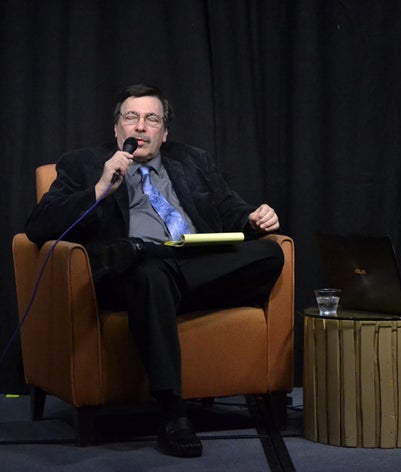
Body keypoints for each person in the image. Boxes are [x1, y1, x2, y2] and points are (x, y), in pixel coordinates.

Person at [25, 84, 285, 457]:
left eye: (151, 119)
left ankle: (159, 270)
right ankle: (173, 414)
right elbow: (38, 226)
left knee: (269, 255)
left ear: (165, 132)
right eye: (131, 117)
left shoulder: (193, 160)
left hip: (194, 267)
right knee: (149, 272)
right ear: (117, 129)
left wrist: (255, 218)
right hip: (131, 277)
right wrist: (99, 188)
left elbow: (230, 210)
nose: (140, 127)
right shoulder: (82, 163)